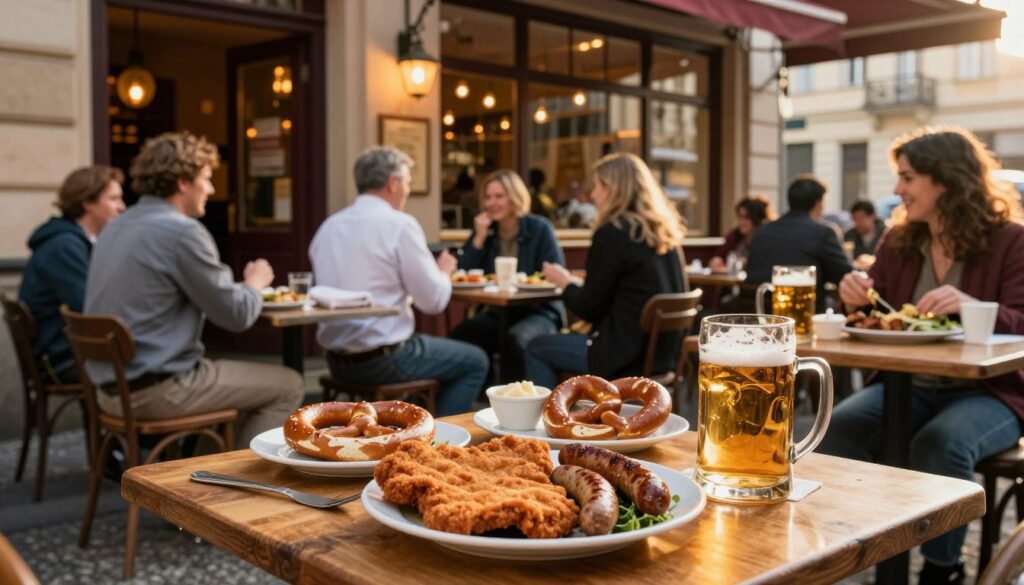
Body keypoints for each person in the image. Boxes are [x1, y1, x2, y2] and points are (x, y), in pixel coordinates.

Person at [821, 126, 1024, 585]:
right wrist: (854, 298)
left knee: (941, 443)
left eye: (908, 178)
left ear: (946, 180)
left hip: (989, 391)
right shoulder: (899, 241)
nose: (897, 190)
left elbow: (1022, 319)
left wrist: (973, 307)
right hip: (905, 384)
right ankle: (857, 544)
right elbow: (880, 313)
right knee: (840, 429)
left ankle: (942, 569)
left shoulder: (1011, 240)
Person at [85, 132, 304, 446]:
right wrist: (255, 282)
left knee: (246, 388)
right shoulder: (182, 232)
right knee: (289, 384)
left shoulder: (115, 225)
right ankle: (246, 485)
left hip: (109, 389)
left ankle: (208, 473)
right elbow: (237, 315)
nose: (212, 189)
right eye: (206, 178)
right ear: (182, 182)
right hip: (157, 390)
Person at [309, 146, 488, 416]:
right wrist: (443, 272)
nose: (407, 189)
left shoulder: (328, 226)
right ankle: (440, 440)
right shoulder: (399, 225)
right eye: (407, 182)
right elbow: (434, 301)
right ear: (393, 183)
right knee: (476, 360)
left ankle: (410, 421)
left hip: (336, 361)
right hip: (385, 360)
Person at [524, 153, 688, 390]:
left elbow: (589, 308)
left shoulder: (613, 233)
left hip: (622, 359)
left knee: (536, 347)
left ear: (614, 190)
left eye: (598, 186)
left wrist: (564, 283)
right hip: (663, 359)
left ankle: (550, 420)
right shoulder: (666, 235)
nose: (593, 194)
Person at [450, 169, 565, 383]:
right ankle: (483, 396)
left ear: (514, 197)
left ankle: (515, 399)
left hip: (539, 311)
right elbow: (464, 274)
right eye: (488, 197)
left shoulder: (540, 229)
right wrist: (479, 238)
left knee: (516, 338)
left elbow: (555, 274)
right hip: (498, 311)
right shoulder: (486, 231)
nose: (492, 203)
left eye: (499, 196)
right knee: (465, 333)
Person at [19, 166, 126, 383]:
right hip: (63, 360)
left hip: (67, 352)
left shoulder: (74, 242)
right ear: (87, 202)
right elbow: (92, 309)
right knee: (153, 370)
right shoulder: (64, 247)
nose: (121, 207)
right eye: (114, 199)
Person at [745, 174, 852, 312]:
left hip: (760, 314)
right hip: (804, 315)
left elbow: (751, 274)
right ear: (817, 203)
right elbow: (844, 276)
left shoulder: (762, 231)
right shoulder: (823, 233)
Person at [708, 195, 775, 272]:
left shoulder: (766, 239)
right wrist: (717, 260)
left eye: (746, 218)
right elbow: (718, 257)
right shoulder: (735, 235)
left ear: (757, 219)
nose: (741, 222)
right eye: (740, 217)